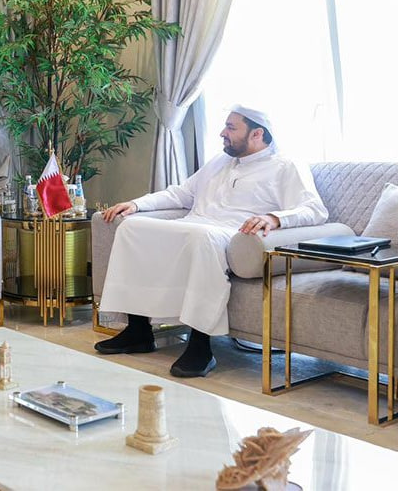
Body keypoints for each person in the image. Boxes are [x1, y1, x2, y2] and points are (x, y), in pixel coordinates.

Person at [95, 105, 328, 377]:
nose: (222, 133)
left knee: (202, 238)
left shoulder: (286, 166)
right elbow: (180, 194)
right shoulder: (219, 162)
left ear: (257, 134)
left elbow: (315, 210)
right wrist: (137, 204)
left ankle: (200, 347)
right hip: (195, 224)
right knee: (131, 227)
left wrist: (275, 218)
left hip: (233, 234)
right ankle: (138, 331)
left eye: (231, 127)